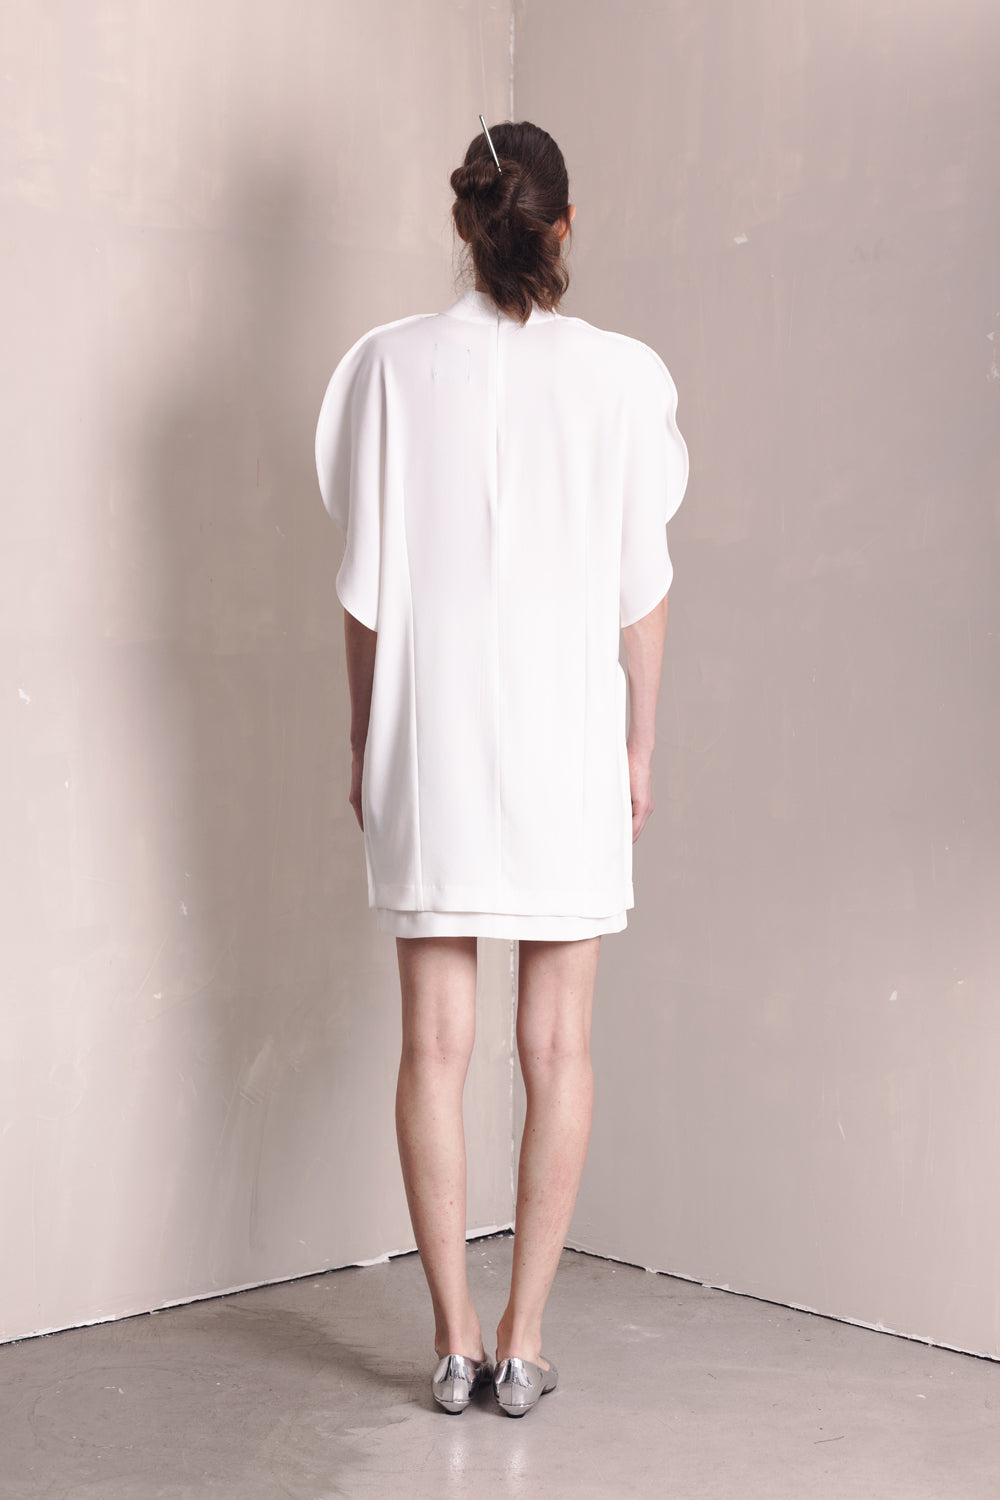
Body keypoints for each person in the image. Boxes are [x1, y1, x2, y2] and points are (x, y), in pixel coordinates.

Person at [315, 119, 688, 1418]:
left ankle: (452, 1338)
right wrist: (639, 742)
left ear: (463, 222)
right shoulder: (624, 377)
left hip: (433, 734)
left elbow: (365, 591)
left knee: (433, 1042)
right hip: (566, 735)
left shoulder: (386, 366)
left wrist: (365, 736)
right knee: (558, 1043)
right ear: (563, 225)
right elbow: (643, 590)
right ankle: (523, 1342)